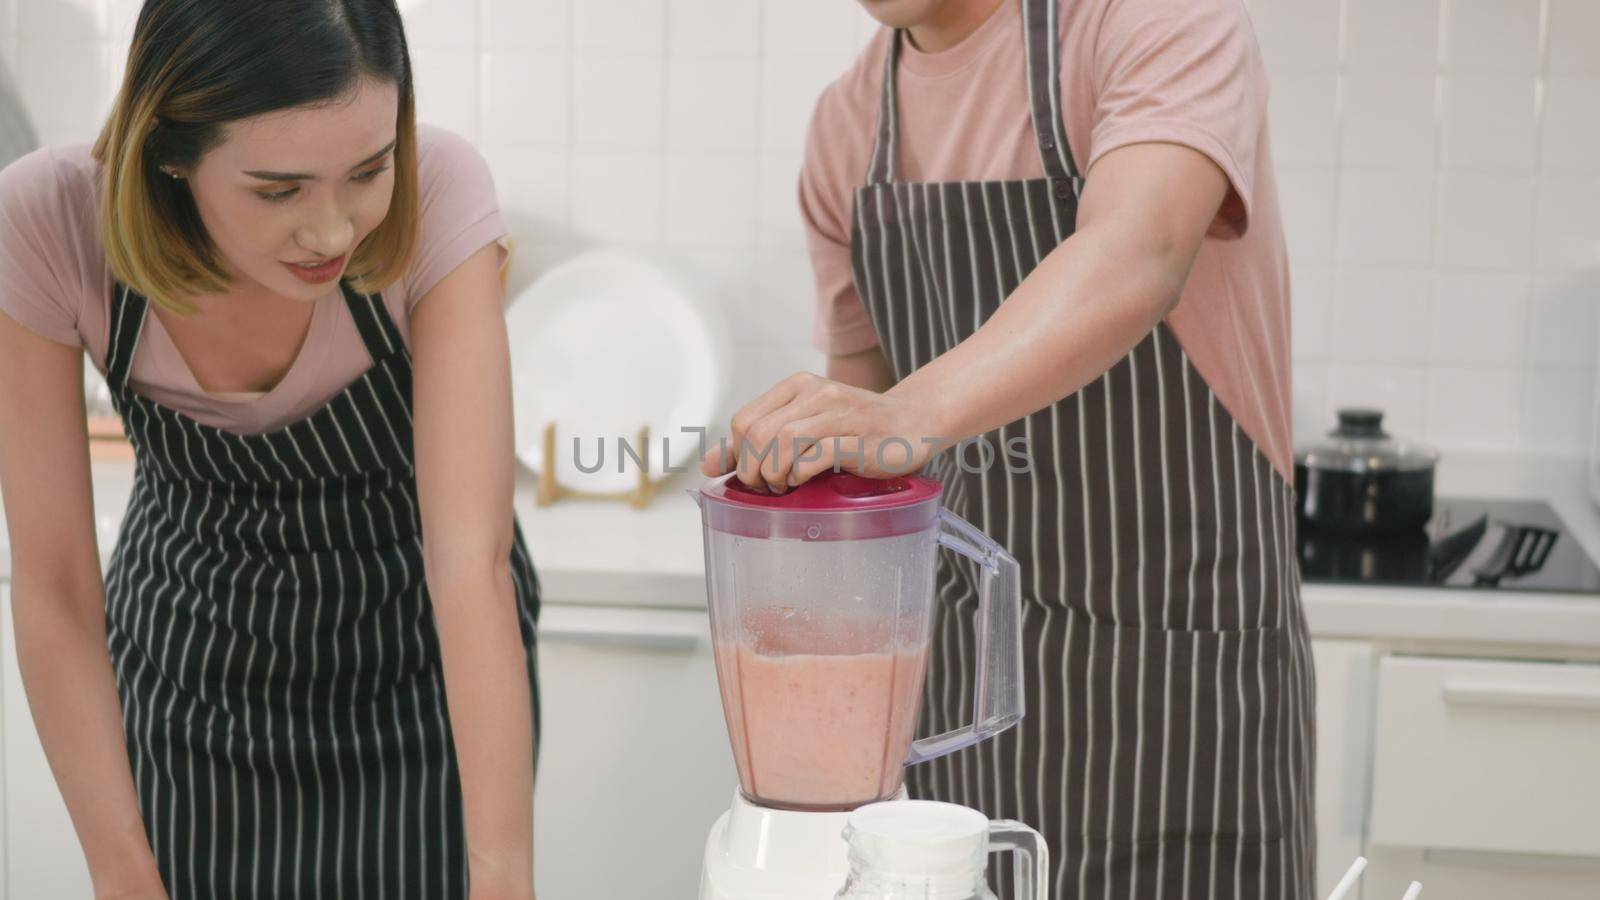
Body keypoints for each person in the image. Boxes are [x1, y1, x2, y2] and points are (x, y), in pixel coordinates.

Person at [700, 0, 1314, 896]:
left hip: (1182, 686)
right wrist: (788, 482)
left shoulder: (1149, 20)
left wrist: (900, 411)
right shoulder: (848, 129)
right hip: (966, 699)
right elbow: (863, 448)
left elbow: (1138, 252)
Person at [0, 2, 540, 898]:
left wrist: (503, 881)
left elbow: (469, 564)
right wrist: (120, 869)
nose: (332, 232)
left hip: (420, 685)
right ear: (168, 149)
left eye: (368, 172)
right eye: (278, 190)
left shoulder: (440, 186)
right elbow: (52, 580)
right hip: (188, 682)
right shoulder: (47, 222)